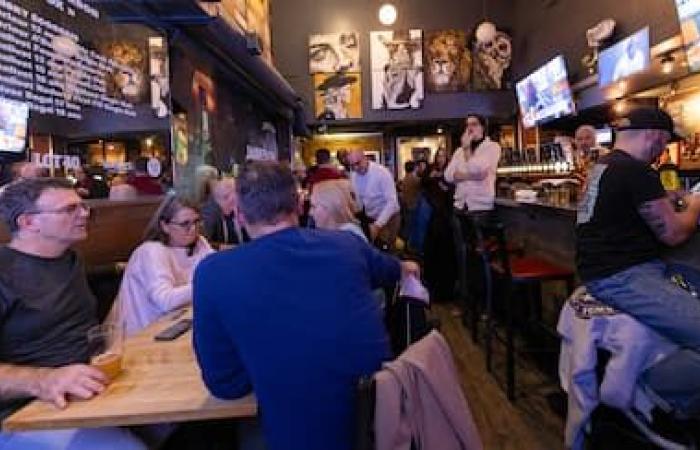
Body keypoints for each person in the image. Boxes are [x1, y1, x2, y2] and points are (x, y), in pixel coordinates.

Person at [193, 162, 419, 450]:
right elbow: (393, 270)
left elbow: (224, 384)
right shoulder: (347, 245)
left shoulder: (213, 274)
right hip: (385, 424)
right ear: (300, 205)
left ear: (238, 214)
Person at [0, 178, 145, 450]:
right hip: (26, 412)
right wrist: (44, 380)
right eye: (69, 210)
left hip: (89, 388)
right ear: (28, 223)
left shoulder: (70, 259)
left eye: (83, 206)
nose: (85, 214)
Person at [576, 107, 700, 413]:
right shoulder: (636, 171)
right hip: (622, 276)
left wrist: (667, 198)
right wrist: (695, 206)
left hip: (605, 270)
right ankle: (648, 390)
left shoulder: (605, 166)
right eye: (665, 143)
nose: (663, 151)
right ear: (656, 138)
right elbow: (672, 234)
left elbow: (630, 202)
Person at [112, 194, 213, 336]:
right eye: (185, 224)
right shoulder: (151, 251)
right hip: (142, 336)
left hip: (178, 327)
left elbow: (216, 272)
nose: (193, 229)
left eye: (197, 222)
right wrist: (209, 284)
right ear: (165, 226)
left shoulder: (199, 243)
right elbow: (165, 301)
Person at [444, 114, 502, 223]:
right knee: (460, 240)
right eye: (467, 125)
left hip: (480, 207)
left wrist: (467, 150)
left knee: (480, 240)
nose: (470, 128)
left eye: (474, 124)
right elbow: (448, 176)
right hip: (459, 206)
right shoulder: (459, 151)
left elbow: (477, 169)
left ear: (483, 127)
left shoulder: (492, 147)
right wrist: (472, 176)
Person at [346, 149, 401, 246]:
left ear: (365, 158)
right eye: (352, 165)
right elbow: (359, 200)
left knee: (386, 248)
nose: (356, 168)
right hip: (371, 218)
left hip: (389, 217)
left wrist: (378, 225)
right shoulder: (353, 175)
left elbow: (392, 202)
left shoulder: (382, 172)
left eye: (358, 163)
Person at [201, 178, 249, 249]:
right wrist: (225, 247)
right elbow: (202, 243)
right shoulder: (210, 213)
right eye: (225, 197)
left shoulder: (245, 209)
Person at [398, 160, 422, 240]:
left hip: (406, 204)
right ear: (414, 167)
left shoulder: (405, 178)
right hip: (413, 205)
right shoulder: (415, 179)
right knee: (411, 226)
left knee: (407, 224)